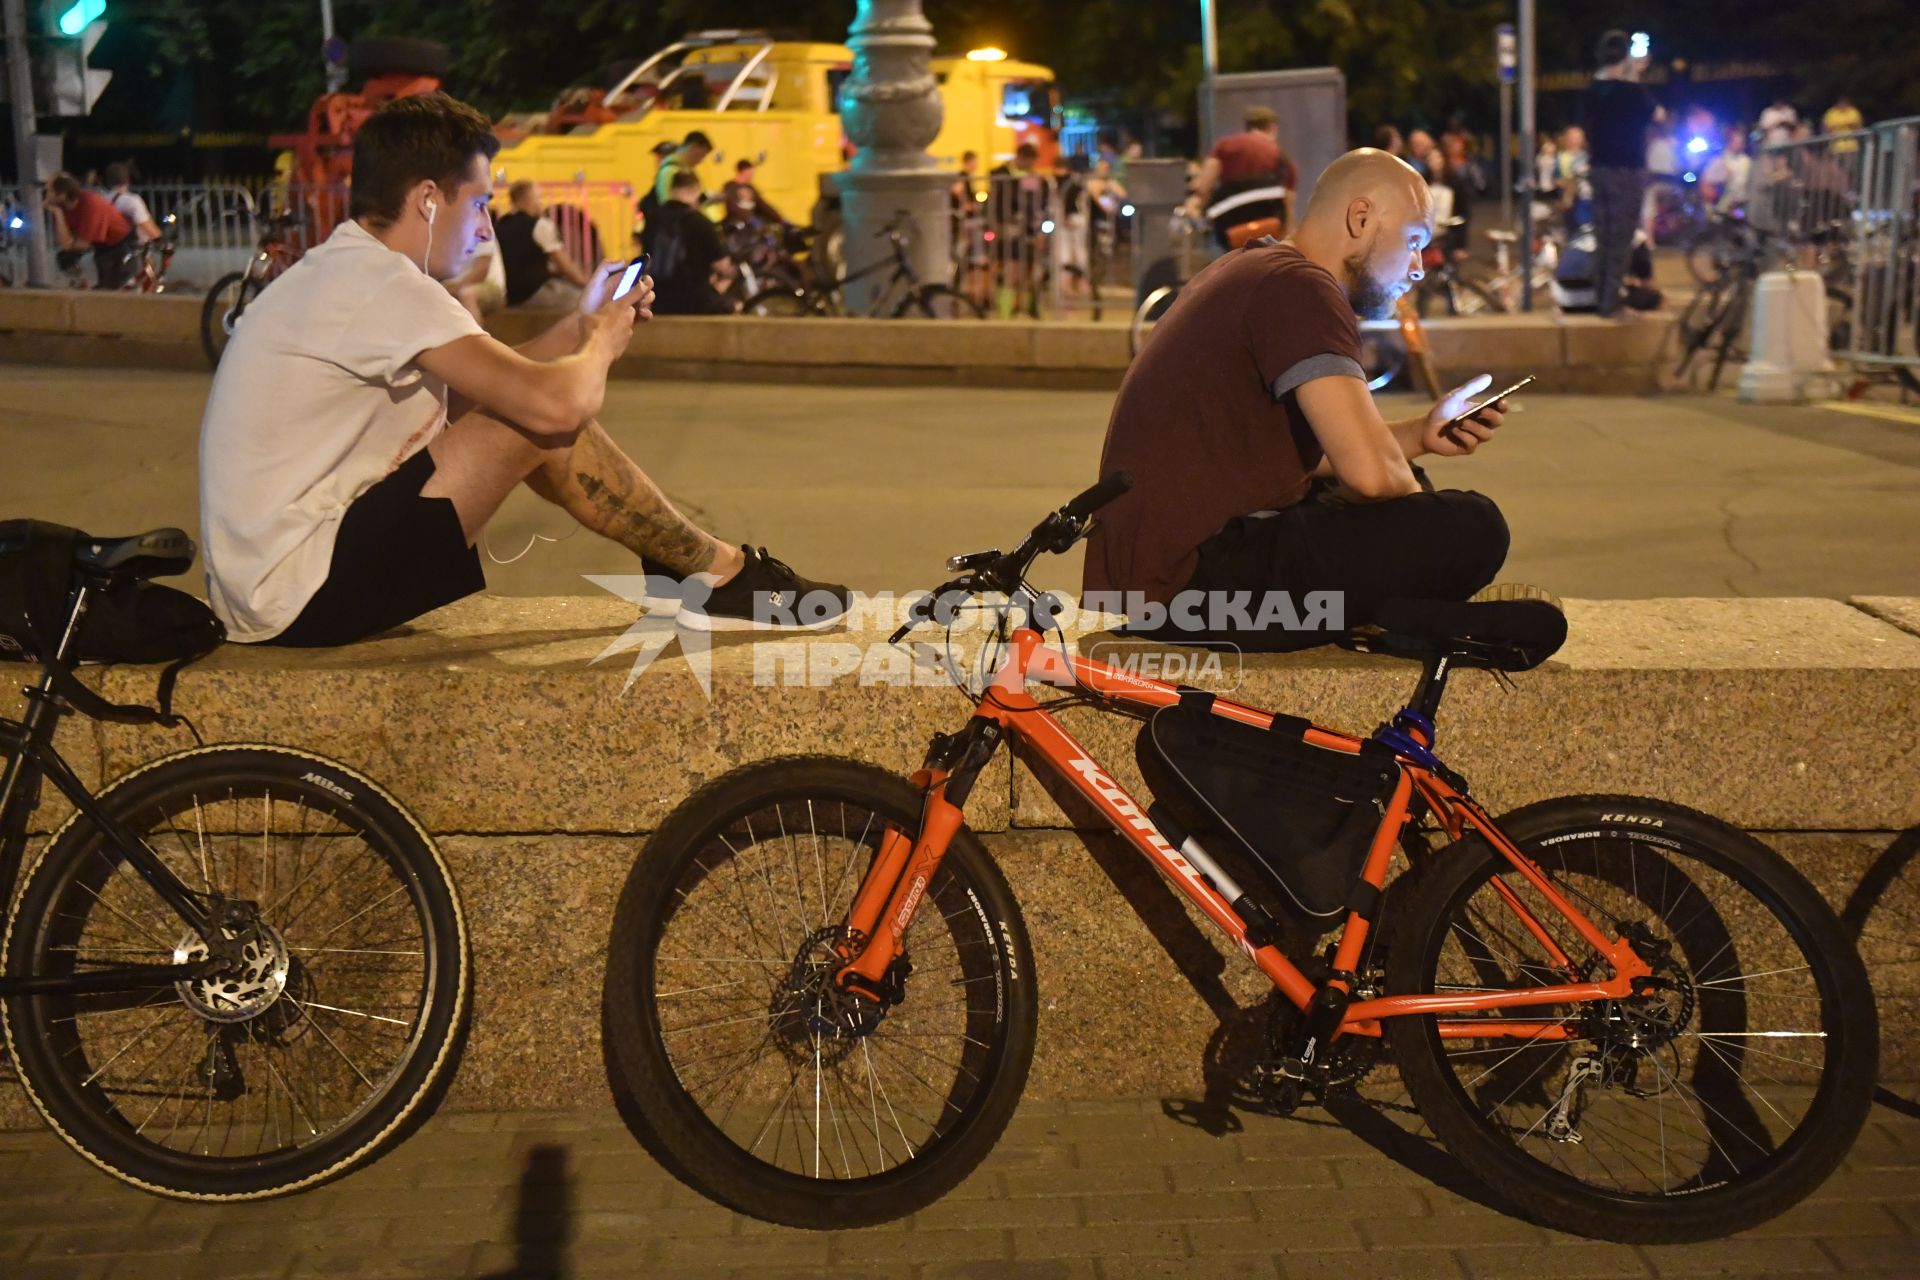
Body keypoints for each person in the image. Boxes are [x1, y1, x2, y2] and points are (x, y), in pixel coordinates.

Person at [198, 93, 847, 647]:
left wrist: (579, 323)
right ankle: (717, 575)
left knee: (526, 411)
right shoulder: (382, 287)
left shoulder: (349, 271)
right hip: (293, 595)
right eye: (478, 204)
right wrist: (604, 341)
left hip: (272, 587)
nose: (485, 229)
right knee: (539, 423)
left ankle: (706, 571)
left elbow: (483, 397)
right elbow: (551, 408)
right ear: (428, 200)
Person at [1083, 147, 1510, 651]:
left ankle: (1391, 611)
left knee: (1410, 489)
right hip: (1186, 591)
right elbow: (1372, 477)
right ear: (1361, 217)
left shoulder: (1256, 267)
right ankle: (1398, 615)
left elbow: (1312, 457)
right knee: (1471, 526)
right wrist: (1420, 530)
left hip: (1150, 584)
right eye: (1414, 240)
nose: (1418, 267)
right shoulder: (1301, 288)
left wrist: (1421, 435)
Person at [1580, 31, 1654, 317]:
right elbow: (1651, 112)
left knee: (1603, 234)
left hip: (1599, 168)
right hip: (1628, 170)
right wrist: (1634, 74)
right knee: (1621, 237)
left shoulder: (1590, 91)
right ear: (1625, 58)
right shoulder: (1632, 92)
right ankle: (1610, 302)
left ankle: (1601, 295)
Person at [1190, 105, 1297, 247]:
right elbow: (1288, 201)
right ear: (1272, 128)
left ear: (1247, 126)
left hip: (1229, 219)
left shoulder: (1224, 145)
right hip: (1267, 222)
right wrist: (1287, 238)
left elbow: (1205, 186)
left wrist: (1199, 208)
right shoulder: (1282, 156)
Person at [647, 168, 734, 315]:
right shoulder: (700, 222)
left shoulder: (652, 219)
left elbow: (647, 260)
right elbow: (722, 266)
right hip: (694, 304)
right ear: (695, 190)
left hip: (659, 302)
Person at [496, 180, 590, 309]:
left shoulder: (499, 225)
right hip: (534, 292)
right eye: (538, 198)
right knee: (584, 300)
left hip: (509, 296)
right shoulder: (540, 225)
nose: (540, 202)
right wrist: (588, 285)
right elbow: (565, 266)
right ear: (529, 199)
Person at [44, 173, 137, 288]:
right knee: (65, 258)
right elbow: (64, 243)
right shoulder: (61, 208)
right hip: (100, 244)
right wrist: (58, 214)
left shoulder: (90, 203)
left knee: (112, 286)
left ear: (62, 194)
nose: (46, 196)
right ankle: (80, 285)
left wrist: (70, 245)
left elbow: (82, 244)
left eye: (49, 191)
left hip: (120, 242)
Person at [103, 163, 163, 244]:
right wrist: (161, 241)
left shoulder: (102, 199)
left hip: (105, 246)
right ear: (127, 179)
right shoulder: (132, 200)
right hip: (129, 247)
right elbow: (147, 227)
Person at [653, 130, 713, 206]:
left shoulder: (687, 169)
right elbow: (667, 205)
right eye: (701, 155)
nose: (701, 160)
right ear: (694, 147)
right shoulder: (669, 171)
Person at [721, 159, 783, 229]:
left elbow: (763, 205)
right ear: (744, 171)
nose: (752, 175)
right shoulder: (730, 186)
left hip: (753, 224)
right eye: (751, 172)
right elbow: (732, 207)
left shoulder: (751, 188)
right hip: (737, 223)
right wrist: (749, 218)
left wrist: (780, 218)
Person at [1703, 128, 1752, 212]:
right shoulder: (1719, 160)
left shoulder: (1746, 161)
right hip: (1721, 204)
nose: (1738, 145)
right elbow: (1706, 183)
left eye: (1740, 142)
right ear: (1729, 142)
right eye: (1736, 142)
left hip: (1740, 204)